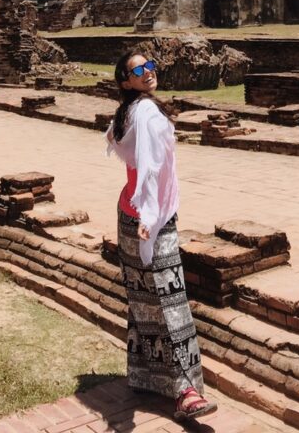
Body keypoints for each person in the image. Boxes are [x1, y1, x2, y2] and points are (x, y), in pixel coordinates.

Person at [105, 49, 217, 421]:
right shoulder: (148, 112)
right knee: (171, 302)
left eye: (151, 65)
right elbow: (151, 169)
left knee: (143, 299)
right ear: (126, 80)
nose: (149, 71)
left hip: (127, 213)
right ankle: (186, 391)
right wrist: (150, 217)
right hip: (149, 218)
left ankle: (145, 376)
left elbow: (118, 145)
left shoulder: (127, 112)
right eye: (139, 69)